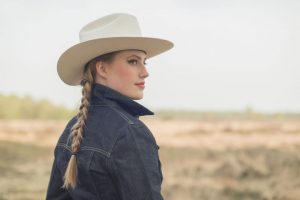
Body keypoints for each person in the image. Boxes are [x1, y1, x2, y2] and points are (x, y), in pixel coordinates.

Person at [46, 13, 173, 199]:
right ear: (102, 69)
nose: (145, 72)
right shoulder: (130, 132)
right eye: (133, 61)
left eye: (144, 62)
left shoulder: (72, 128)